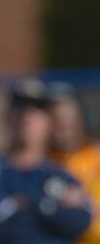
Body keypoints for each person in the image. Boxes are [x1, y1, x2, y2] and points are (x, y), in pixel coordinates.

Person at [0, 78, 92, 244]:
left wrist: (28, 206)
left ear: (49, 123)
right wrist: (54, 208)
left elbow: (80, 221)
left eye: (37, 110)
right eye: (20, 107)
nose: (27, 117)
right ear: (7, 117)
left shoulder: (61, 175)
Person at [48, 82, 100, 243]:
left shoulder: (95, 158)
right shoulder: (38, 163)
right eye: (55, 119)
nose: (62, 125)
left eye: (69, 118)